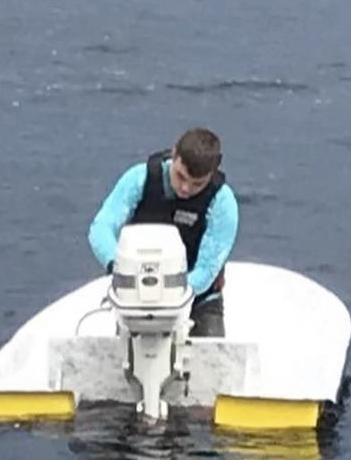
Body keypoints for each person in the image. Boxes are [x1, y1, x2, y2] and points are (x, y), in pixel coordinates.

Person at [87, 128, 239, 337]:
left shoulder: (222, 201)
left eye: (197, 184)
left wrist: (171, 294)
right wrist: (118, 267)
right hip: (136, 297)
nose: (185, 188)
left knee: (211, 354)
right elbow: (102, 227)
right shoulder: (139, 179)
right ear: (174, 155)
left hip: (198, 297)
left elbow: (208, 266)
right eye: (180, 176)